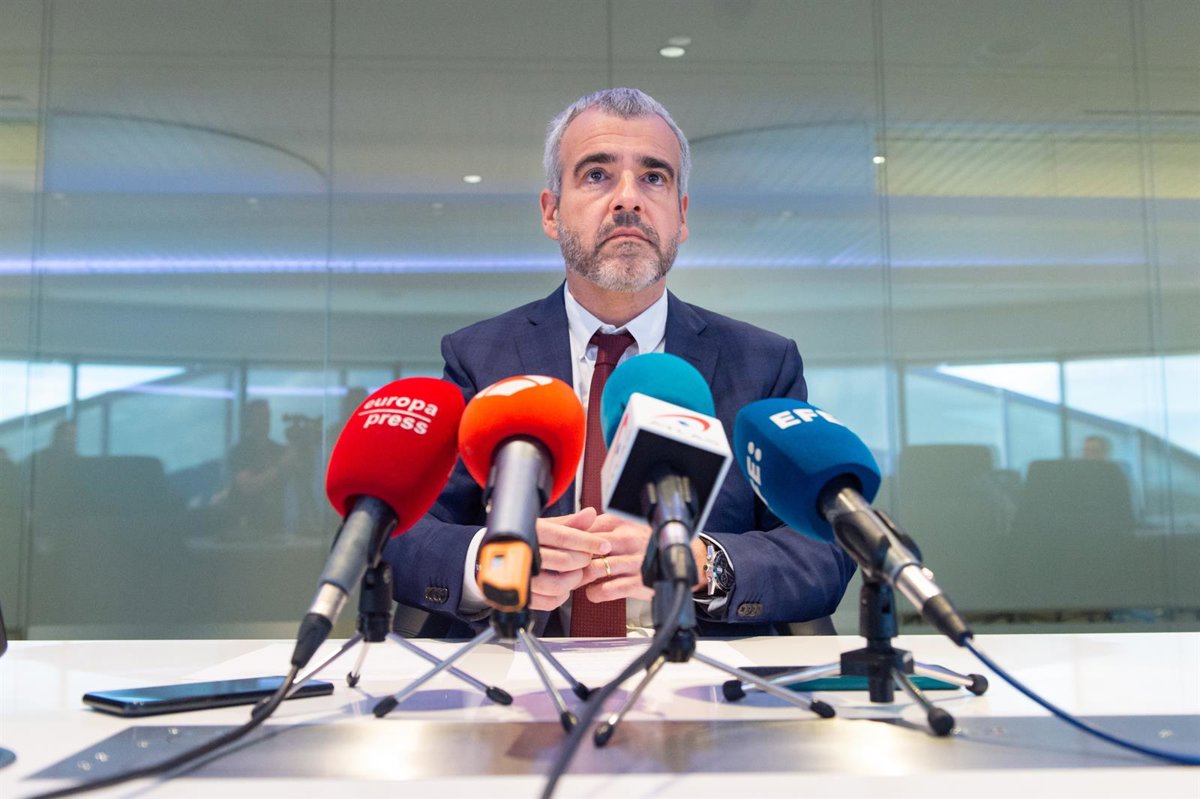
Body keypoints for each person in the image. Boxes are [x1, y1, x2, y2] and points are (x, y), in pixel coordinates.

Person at [384, 88, 855, 638]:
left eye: (653, 177)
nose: (628, 198)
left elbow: (822, 548)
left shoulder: (761, 363)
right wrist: (493, 561)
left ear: (681, 216)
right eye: (597, 175)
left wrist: (700, 562)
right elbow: (403, 533)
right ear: (551, 212)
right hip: (523, 667)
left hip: (699, 668)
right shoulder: (481, 356)